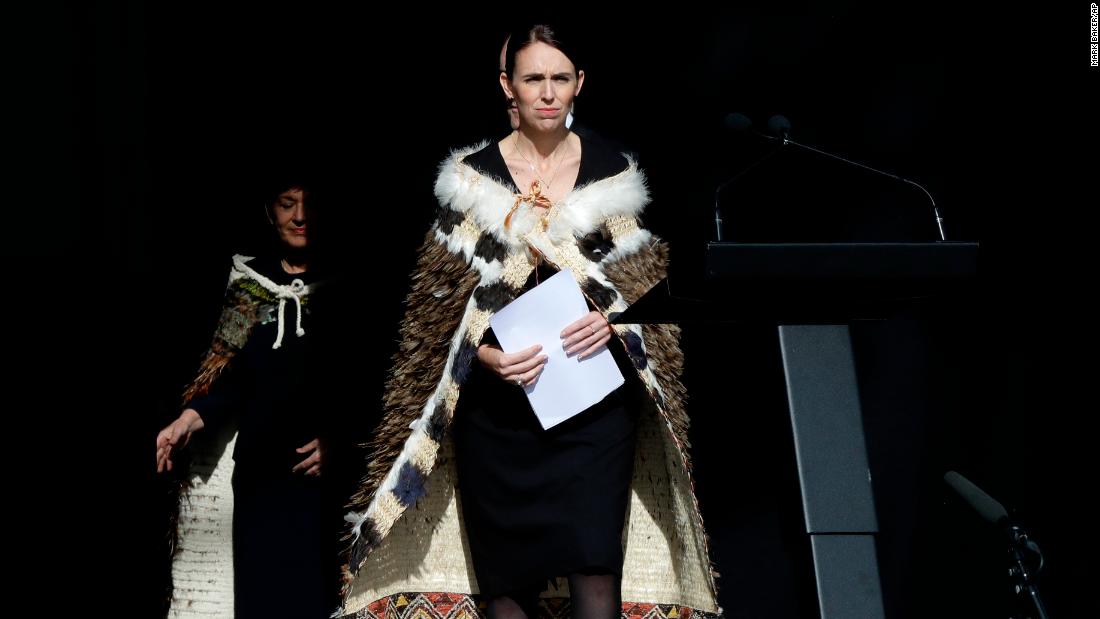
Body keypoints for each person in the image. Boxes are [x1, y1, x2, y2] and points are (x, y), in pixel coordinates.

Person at [337, 25, 721, 619]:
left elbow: (650, 298)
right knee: (507, 592)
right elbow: (435, 316)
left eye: (560, 78)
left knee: (596, 573)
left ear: (579, 85)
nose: (547, 92)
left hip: (593, 414)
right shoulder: (471, 183)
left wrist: (617, 322)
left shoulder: (613, 177)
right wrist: (483, 356)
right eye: (533, 78)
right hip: (498, 419)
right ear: (507, 87)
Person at [156, 172, 342, 618]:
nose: (299, 216)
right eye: (286, 203)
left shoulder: (345, 288)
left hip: (324, 485)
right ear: (269, 212)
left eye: (308, 203)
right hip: (261, 480)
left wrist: (342, 440)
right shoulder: (250, 285)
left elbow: (368, 384)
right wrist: (188, 419)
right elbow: (227, 376)